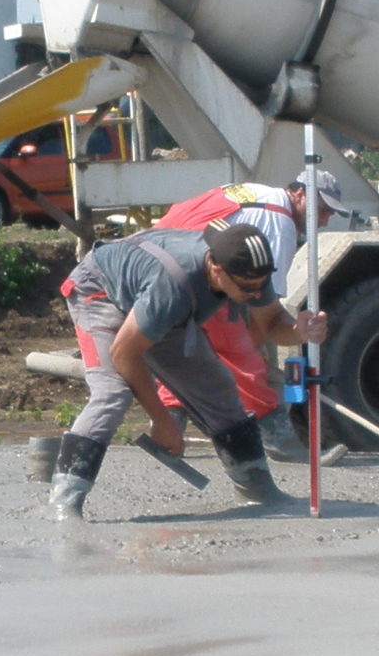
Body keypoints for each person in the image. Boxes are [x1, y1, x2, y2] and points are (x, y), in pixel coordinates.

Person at [49, 221, 329, 521]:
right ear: (217, 270)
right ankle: (65, 501)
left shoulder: (249, 270)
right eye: (248, 288)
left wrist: (299, 332)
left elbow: (272, 322)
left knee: (216, 385)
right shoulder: (172, 286)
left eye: (262, 285)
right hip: (99, 291)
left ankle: (257, 489)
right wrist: (162, 421)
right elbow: (124, 353)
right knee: (112, 393)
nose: (255, 294)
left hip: (152, 299)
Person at [151, 168, 350, 460]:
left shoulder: (255, 193)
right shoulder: (279, 222)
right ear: (299, 193)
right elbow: (263, 309)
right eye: (321, 210)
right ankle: (279, 439)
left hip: (158, 259)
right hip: (197, 269)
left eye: (329, 214)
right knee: (239, 353)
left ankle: (167, 437)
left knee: (183, 352)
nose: (323, 221)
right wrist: (255, 352)